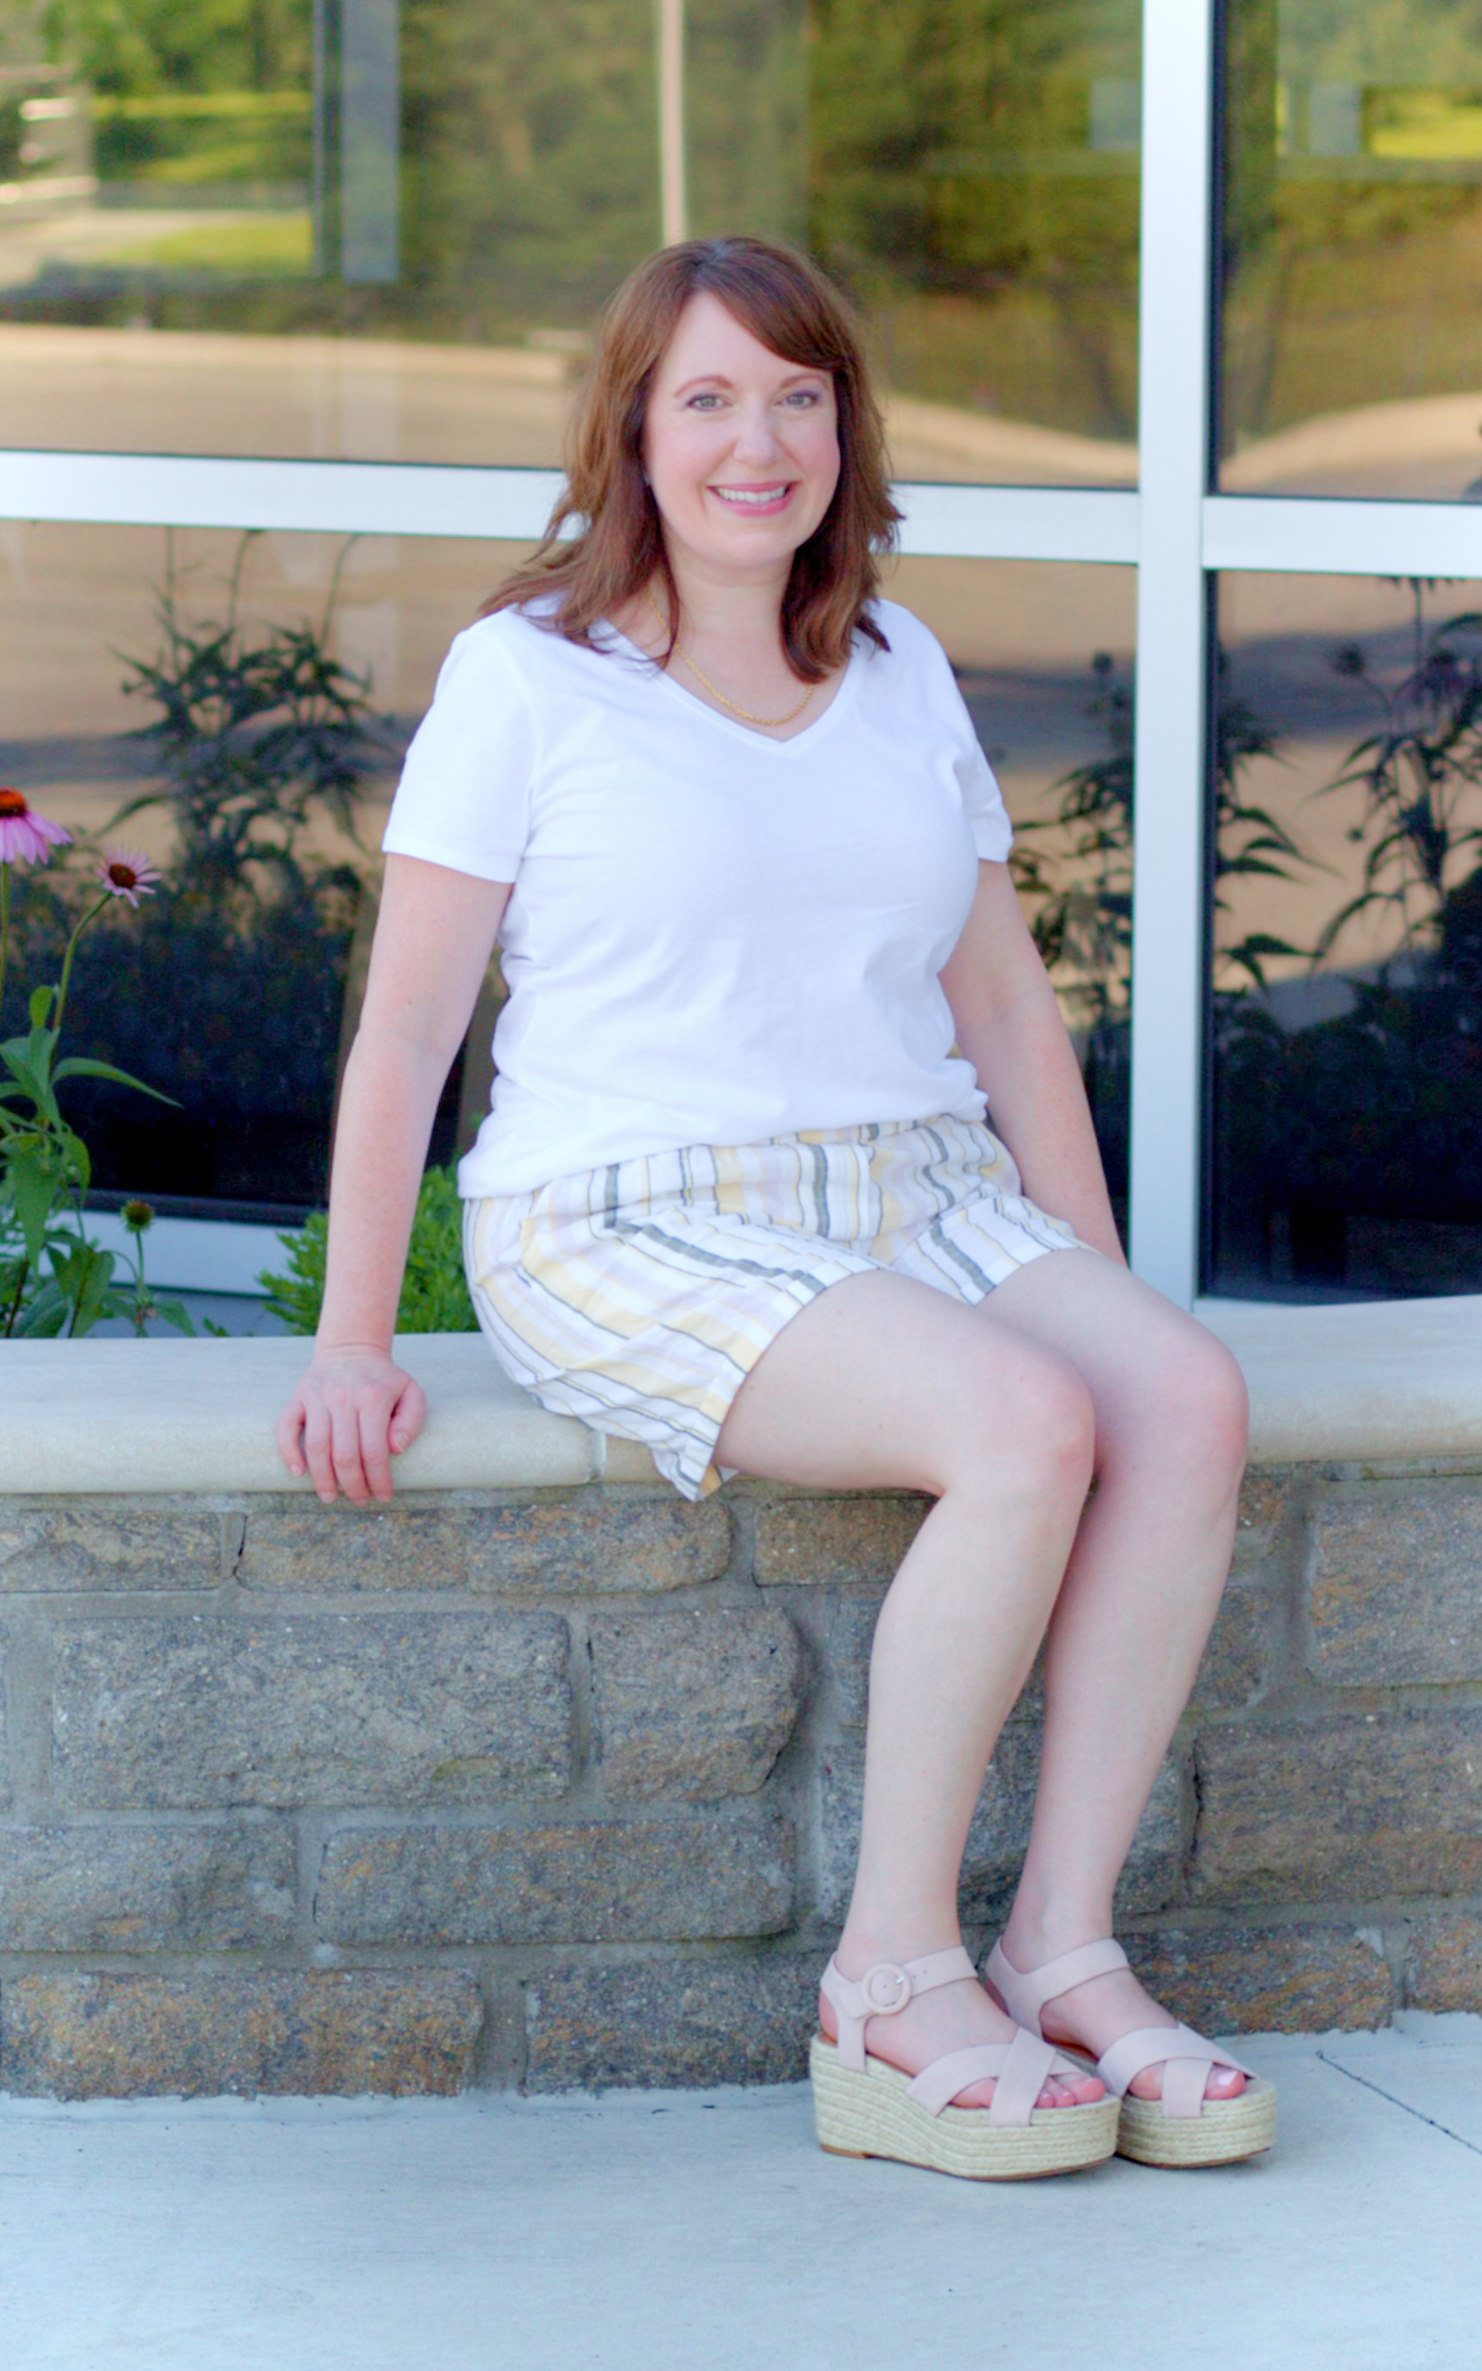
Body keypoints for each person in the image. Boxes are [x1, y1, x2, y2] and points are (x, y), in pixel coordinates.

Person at [277, 235, 1275, 2180]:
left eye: (800, 396)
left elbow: (999, 1003)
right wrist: (350, 1332)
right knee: (1023, 1421)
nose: (762, 442)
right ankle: (892, 1981)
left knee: (1181, 1392)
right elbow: (404, 1037)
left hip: (915, 1182)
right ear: (635, 430)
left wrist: (1093, 1270)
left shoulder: (893, 664)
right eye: (713, 399)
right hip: (622, 1208)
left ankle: (1064, 1944)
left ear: (844, 426)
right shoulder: (528, 678)